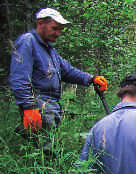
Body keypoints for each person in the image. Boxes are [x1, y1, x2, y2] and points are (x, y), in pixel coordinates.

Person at [8, 7, 107, 135]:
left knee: (49, 149)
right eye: (54, 28)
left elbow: (68, 71)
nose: (57, 33)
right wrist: (28, 108)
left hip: (51, 108)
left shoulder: (50, 50)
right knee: (45, 151)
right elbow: (19, 77)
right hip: (38, 106)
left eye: (60, 30)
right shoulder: (28, 42)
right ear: (40, 23)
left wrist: (91, 78)